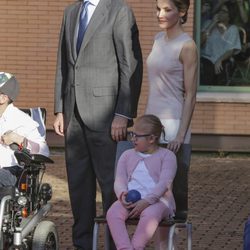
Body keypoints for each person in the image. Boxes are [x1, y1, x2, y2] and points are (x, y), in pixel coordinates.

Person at [53, 0, 143, 249]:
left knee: (111, 188)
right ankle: (82, 244)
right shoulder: (71, 12)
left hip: (107, 118)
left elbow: (130, 65)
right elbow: (64, 63)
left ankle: (116, 245)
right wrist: (60, 108)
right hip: (73, 116)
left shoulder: (119, 11)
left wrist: (123, 114)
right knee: (79, 189)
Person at [145, 0, 198, 248]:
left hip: (174, 126)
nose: (160, 14)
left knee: (172, 196)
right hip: (151, 126)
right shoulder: (157, 39)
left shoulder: (187, 46)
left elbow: (190, 95)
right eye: (158, 9)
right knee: (151, 191)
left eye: (167, 9)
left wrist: (180, 135)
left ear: (183, 11)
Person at [106, 114, 177, 250]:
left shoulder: (167, 156)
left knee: (150, 214)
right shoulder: (126, 155)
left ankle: (137, 247)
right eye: (132, 134)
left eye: (137, 136)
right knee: (113, 213)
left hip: (158, 202)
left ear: (151, 138)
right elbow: (119, 180)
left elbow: (164, 183)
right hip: (131, 201)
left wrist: (146, 201)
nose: (133, 139)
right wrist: (122, 195)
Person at [0, 72, 49, 187]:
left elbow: (43, 151)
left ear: (3, 98)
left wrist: (17, 138)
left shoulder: (21, 120)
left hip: (9, 171)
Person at [200, 3, 242, 85]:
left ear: (230, 16)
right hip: (206, 59)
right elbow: (199, 42)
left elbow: (231, 50)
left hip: (222, 60)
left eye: (224, 11)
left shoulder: (233, 29)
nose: (220, 13)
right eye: (220, 10)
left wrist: (220, 60)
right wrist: (212, 24)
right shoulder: (208, 23)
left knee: (223, 71)